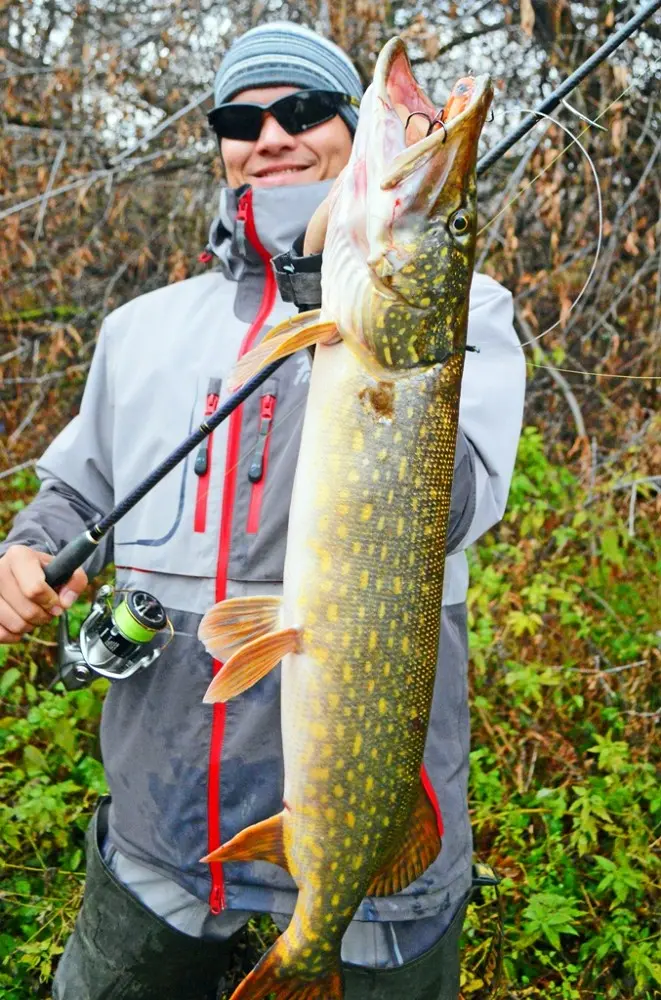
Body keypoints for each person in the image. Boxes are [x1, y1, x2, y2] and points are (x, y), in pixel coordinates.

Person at [0, 21, 525, 1000]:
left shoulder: (465, 314)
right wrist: (31, 548)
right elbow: (78, 487)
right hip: (167, 826)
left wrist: (339, 286)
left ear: (345, 127)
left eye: (304, 111)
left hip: (367, 852)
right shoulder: (141, 329)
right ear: (223, 146)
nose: (271, 134)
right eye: (243, 118)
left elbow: (455, 502)